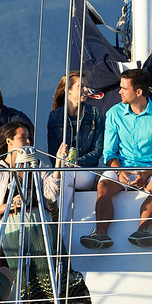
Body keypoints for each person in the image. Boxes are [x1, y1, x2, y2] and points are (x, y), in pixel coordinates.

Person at [81, 68, 152, 249]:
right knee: (104, 185)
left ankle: (143, 230)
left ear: (138, 92)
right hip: (121, 167)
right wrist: (119, 170)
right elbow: (109, 152)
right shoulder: (114, 113)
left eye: (124, 88)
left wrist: (146, 173)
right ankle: (101, 234)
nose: (119, 91)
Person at [0, 122, 63, 263]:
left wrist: (58, 166)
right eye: (23, 137)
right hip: (12, 232)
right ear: (9, 141)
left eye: (28, 137)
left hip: (41, 229)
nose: (28, 141)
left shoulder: (37, 165)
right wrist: (10, 205)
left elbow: (51, 194)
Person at [47, 72, 105, 246]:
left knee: (63, 177)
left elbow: (98, 150)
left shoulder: (96, 115)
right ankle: (61, 237)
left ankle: (58, 235)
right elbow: (52, 151)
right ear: (68, 91)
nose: (86, 90)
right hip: (65, 172)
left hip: (87, 172)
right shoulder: (55, 117)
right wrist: (62, 161)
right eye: (81, 86)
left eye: (86, 86)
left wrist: (76, 163)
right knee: (64, 178)